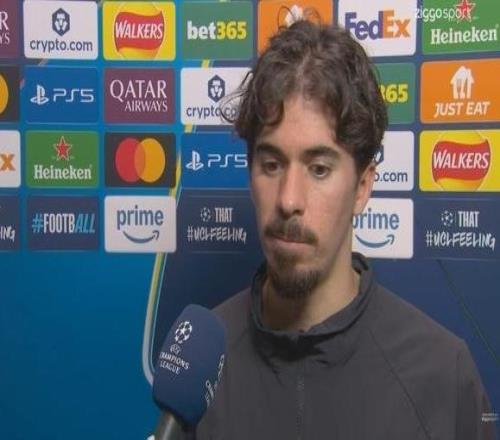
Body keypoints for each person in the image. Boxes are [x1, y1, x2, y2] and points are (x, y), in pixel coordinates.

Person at [192, 20, 497, 440]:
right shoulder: (200, 363)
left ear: (362, 187)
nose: (289, 200)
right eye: (271, 164)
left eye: (319, 169)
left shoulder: (442, 373)